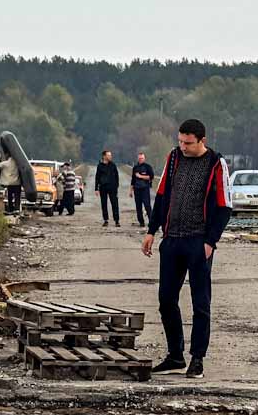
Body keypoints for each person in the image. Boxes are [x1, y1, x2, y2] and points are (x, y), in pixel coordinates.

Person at [143, 119, 231, 380]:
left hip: (198, 242)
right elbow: (161, 197)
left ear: (201, 140)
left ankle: (197, 359)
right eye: (180, 141)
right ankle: (175, 355)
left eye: (188, 143)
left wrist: (210, 242)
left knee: (200, 303)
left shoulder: (216, 163)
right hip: (172, 240)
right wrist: (151, 231)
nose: (182, 146)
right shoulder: (173, 159)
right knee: (166, 299)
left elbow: (225, 206)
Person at [95, 150, 122, 226]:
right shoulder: (99, 166)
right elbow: (97, 177)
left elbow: (117, 176)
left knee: (115, 203)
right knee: (104, 204)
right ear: (104, 156)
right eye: (109, 155)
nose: (110, 156)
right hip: (103, 187)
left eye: (110, 155)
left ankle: (117, 220)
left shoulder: (113, 165)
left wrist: (116, 186)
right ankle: (105, 220)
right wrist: (96, 188)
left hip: (112, 187)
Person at [130, 150, 154, 228]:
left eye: (142, 158)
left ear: (144, 158)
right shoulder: (135, 168)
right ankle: (141, 222)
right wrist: (130, 191)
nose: (141, 159)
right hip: (137, 189)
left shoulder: (148, 167)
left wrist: (141, 176)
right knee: (138, 207)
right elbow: (133, 180)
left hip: (145, 189)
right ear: (138, 159)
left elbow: (151, 177)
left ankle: (151, 222)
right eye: (139, 158)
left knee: (147, 206)